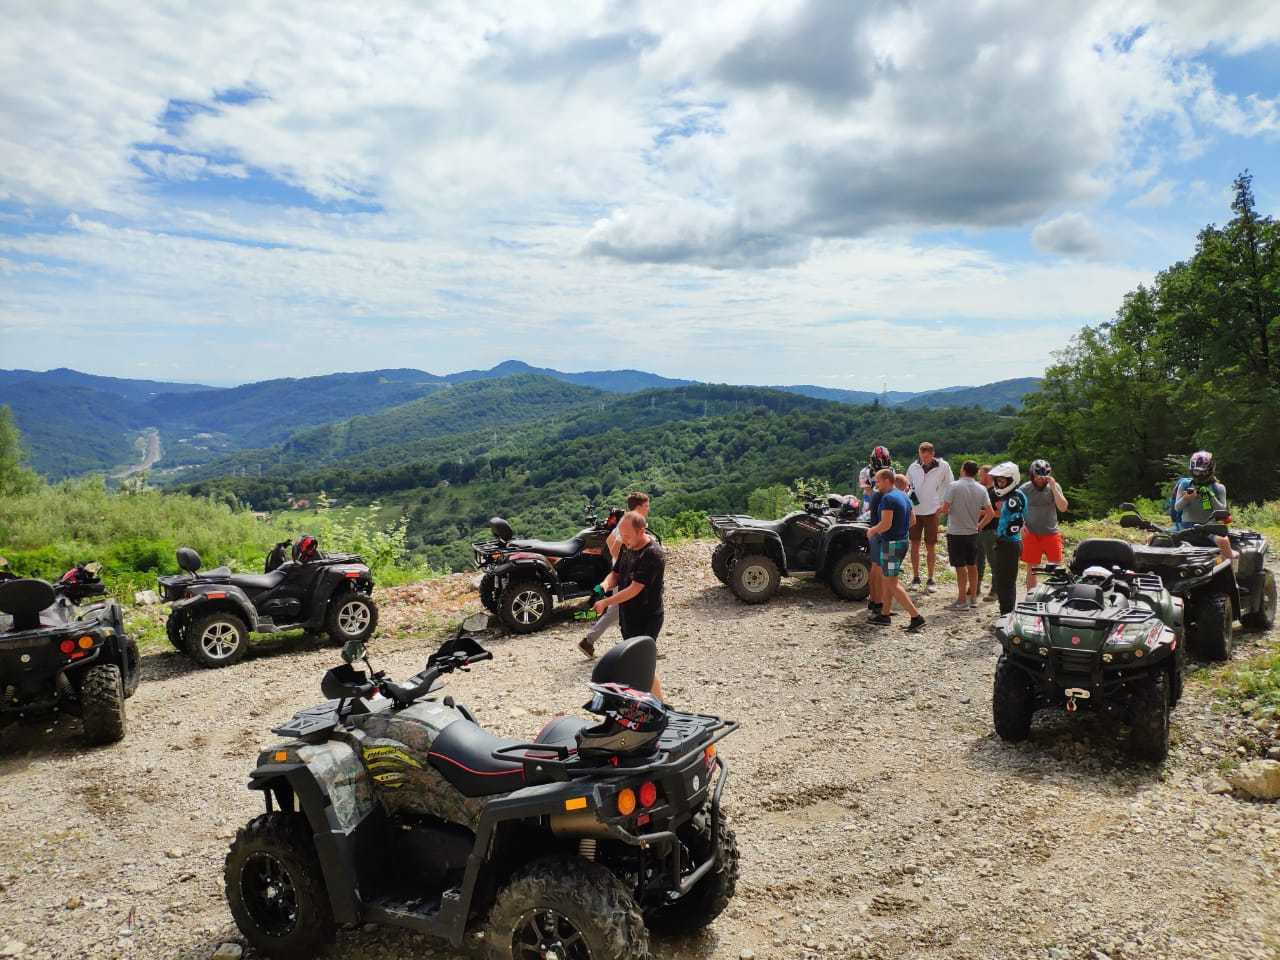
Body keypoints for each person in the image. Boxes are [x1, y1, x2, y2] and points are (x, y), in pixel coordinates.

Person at [593, 511, 666, 698]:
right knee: (634, 663)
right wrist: (605, 585)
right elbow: (616, 573)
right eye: (622, 536)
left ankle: (661, 706)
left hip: (647, 616)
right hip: (628, 615)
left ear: (641, 531)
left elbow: (635, 589)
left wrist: (606, 602)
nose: (623, 540)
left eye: (627, 536)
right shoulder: (627, 545)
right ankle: (645, 702)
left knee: (641, 663)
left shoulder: (653, 554)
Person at [579, 491, 650, 658]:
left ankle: (590, 641)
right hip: (625, 573)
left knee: (620, 609)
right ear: (639, 507)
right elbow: (615, 542)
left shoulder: (626, 521)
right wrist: (624, 559)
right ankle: (589, 641)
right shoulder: (630, 523)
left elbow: (610, 540)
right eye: (646, 506)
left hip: (623, 570)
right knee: (619, 608)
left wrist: (617, 559)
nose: (649, 509)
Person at [866, 468, 926, 632]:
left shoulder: (888, 499)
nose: (876, 485)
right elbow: (913, 520)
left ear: (887, 480)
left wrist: (872, 531)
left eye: (878, 481)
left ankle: (916, 617)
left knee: (891, 583)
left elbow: (886, 524)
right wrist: (900, 530)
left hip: (891, 544)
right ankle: (885, 615)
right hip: (902, 542)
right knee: (889, 580)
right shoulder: (904, 496)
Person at [940, 461, 995, 611]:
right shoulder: (982, 488)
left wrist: (939, 510)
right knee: (973, 565)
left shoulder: (954, 486)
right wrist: (979, 525)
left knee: (960, 567)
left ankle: (961, 600)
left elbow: (945, 508)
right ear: (976, 472)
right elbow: (990, 513)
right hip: (973, 532)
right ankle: (973, 600)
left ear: (963, 470)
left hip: (956, 532)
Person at [905, 442, 953, 592]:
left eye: (927, 457)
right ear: (919, 453)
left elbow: (950, 484)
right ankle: (916, 577)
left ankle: (931, 578)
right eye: (922, 456)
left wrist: (943, 503)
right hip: (915, 511)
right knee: (914, 544)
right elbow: (907, 485)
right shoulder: (913, 467)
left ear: (933, 454)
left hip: (933, 510)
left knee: (931, 546)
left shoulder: (943, 466)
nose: (924, 460)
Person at [1171, 451, 1235, 562]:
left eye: (1203, 472)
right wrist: (1186, 498)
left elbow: (1222, 510)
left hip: (1208, 529)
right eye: (1196, 472)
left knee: (1223, 541)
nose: (1199, 475)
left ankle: (1233, 570)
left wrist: (1210, 496)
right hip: (1185, 527)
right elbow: (1177, 507)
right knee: (1157, 538)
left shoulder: (1218, 488)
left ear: (1209, 471)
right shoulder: (1185, 485)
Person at [1019, 459, 1069, 590]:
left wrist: (1053, 487)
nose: (1040, 480)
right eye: (1037, 477)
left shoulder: (1054, 486)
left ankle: (1057, 595)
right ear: (1032, 475)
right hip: (1031, 533)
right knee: (1032, 567)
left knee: (1057, 566)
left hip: (1051, 533)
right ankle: (1031, 595)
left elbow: (1063, 507)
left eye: (1044, 476)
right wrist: (1020, 525)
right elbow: (1014, 509)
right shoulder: (1024, 489)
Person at [988, 462, 1027, 615]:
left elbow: (1015, 522)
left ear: (1012, 480)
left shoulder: (1014, 498)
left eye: (1002, 481)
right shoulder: (1013, 496)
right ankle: (1006, 613)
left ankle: (1007, 615)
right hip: (1006, 542)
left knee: (1006, 582)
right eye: (998, 481)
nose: (999, 484)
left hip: (1009, 543)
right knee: (1003, 580)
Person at [975, 464, 999, 601]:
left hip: (991, 530)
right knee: (978, 559)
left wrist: (983, 512)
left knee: (993, 561)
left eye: (981, 474)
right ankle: (976, 586)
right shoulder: (982, 491)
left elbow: (1000, 513)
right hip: (979, 529)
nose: (979, 477)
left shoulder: (995, 492)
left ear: (989, 475)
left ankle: (995, 590)